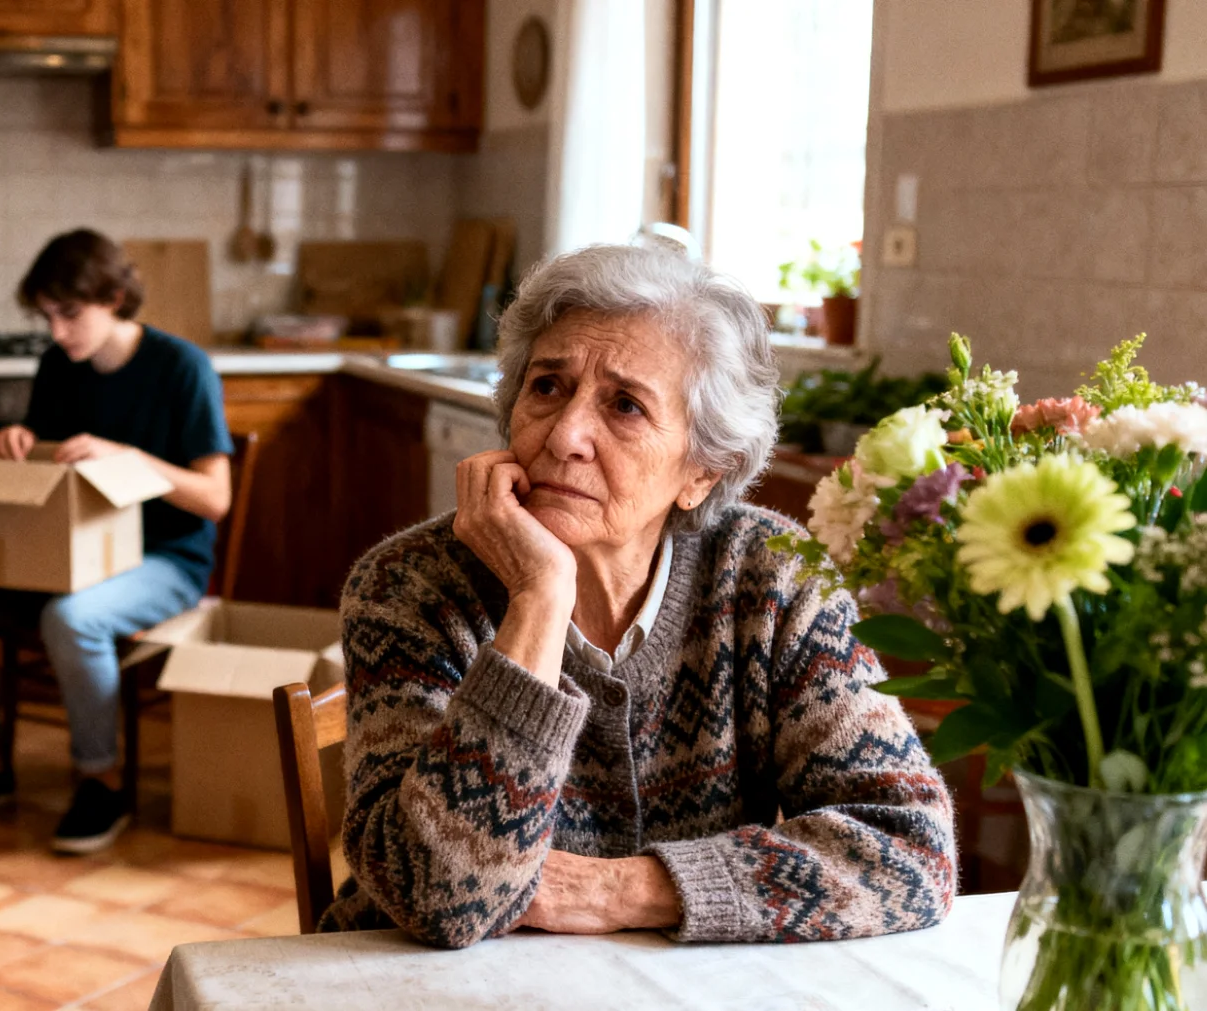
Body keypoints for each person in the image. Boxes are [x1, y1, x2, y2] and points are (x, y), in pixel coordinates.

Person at [326, 244, 956, 948]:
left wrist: (622, 889)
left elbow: (911, 851)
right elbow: (435, 896)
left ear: (702, 472)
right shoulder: (410, 585)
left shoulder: (772, 576)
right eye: (546, 387)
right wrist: (537, 599)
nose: (565, 435)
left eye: (624, 405)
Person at [0, 229, 233, 854]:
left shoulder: (181, 367)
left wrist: (131, 457)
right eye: (47, 317)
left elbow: (215, 498)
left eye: (70, 314)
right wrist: (15, 441)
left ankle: (100, 781)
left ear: (115, 297)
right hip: (65, 555)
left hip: (167, 560)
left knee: (71, 619)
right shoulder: (61, 365)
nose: (57, 332)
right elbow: (46, 466)